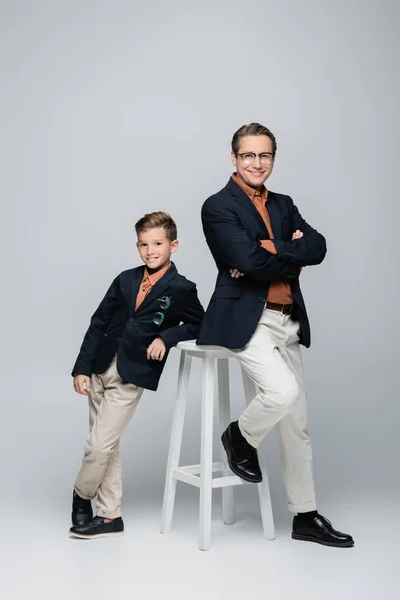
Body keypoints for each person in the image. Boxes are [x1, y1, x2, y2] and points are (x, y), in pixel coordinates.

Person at [197, 123, 354, 548]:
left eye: (264, 156)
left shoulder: (283, 203)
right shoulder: (217, 207)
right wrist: (286, 250)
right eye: (248, 155)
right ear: (233, 158)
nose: (256, 163)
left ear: (273, 159)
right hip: (247, 320)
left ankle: (305, 516)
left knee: (297, 423)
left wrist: (269, 250)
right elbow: (245, 260)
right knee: (280, 393)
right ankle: (239, 436)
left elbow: (318, 247)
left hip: (287, 319)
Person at [69, 211, 204, 539]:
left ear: (173, 245)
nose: (150, 250)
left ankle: (81, 497)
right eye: (143, 244)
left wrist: (166, 338)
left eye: (157, 243)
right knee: (108, 446)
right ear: (137, 246)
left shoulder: (182, 288)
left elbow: (202, 322)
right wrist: (82, 368)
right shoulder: (125, 279)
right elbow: (98, 321)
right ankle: (110, 516)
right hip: (100, 367)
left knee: (99, 445)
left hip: (131, 373)